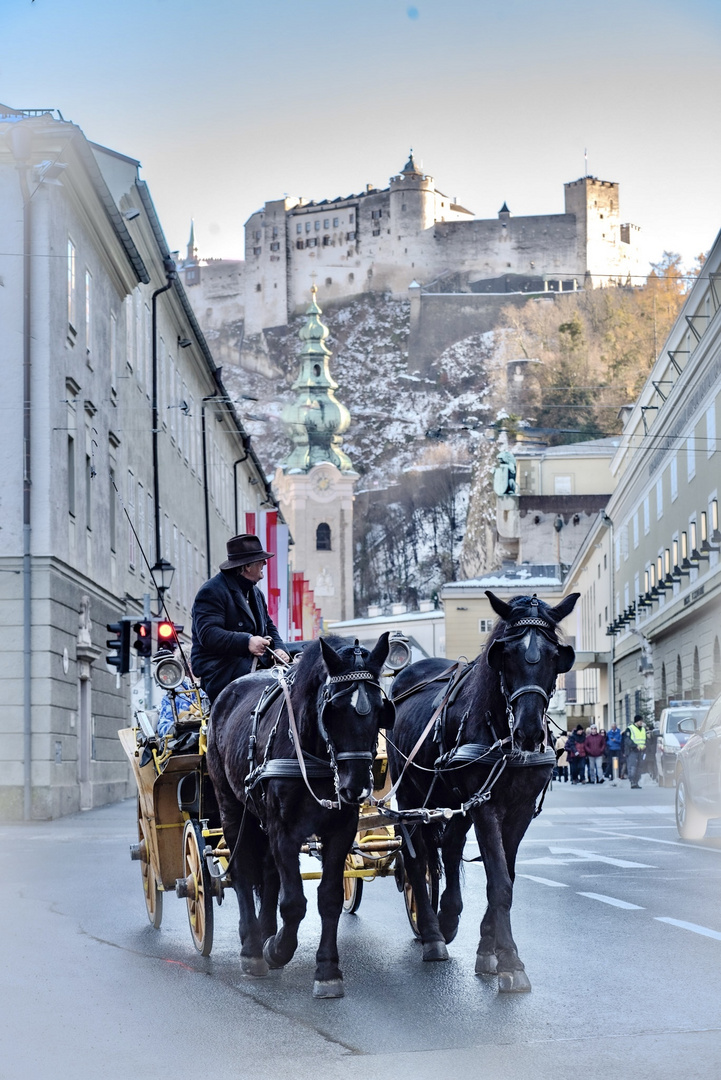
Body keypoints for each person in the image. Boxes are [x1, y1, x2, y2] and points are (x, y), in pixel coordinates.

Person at [191, 533, 290, 704]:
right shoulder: (212, 591)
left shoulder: (255, 593)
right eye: (260, 560)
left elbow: (269, 626)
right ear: (246, 567)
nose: (264, 563)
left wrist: (280, 650)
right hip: (222, 672)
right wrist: (247, 642)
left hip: (253, 667)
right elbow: (208, 634)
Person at [626, 714, 647, 788]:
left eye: (641, 721)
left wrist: (645, 745)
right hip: (633, 750)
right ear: (636, 721)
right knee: (632, 767)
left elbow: (645, 739)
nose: (641, 722)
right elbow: (627, 740)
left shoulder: (643, 729)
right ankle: (632, 782)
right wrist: (635, 746)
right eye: (640, 721)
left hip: (641, 751)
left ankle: (637, 782)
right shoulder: (630, 728)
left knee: (639, 767)